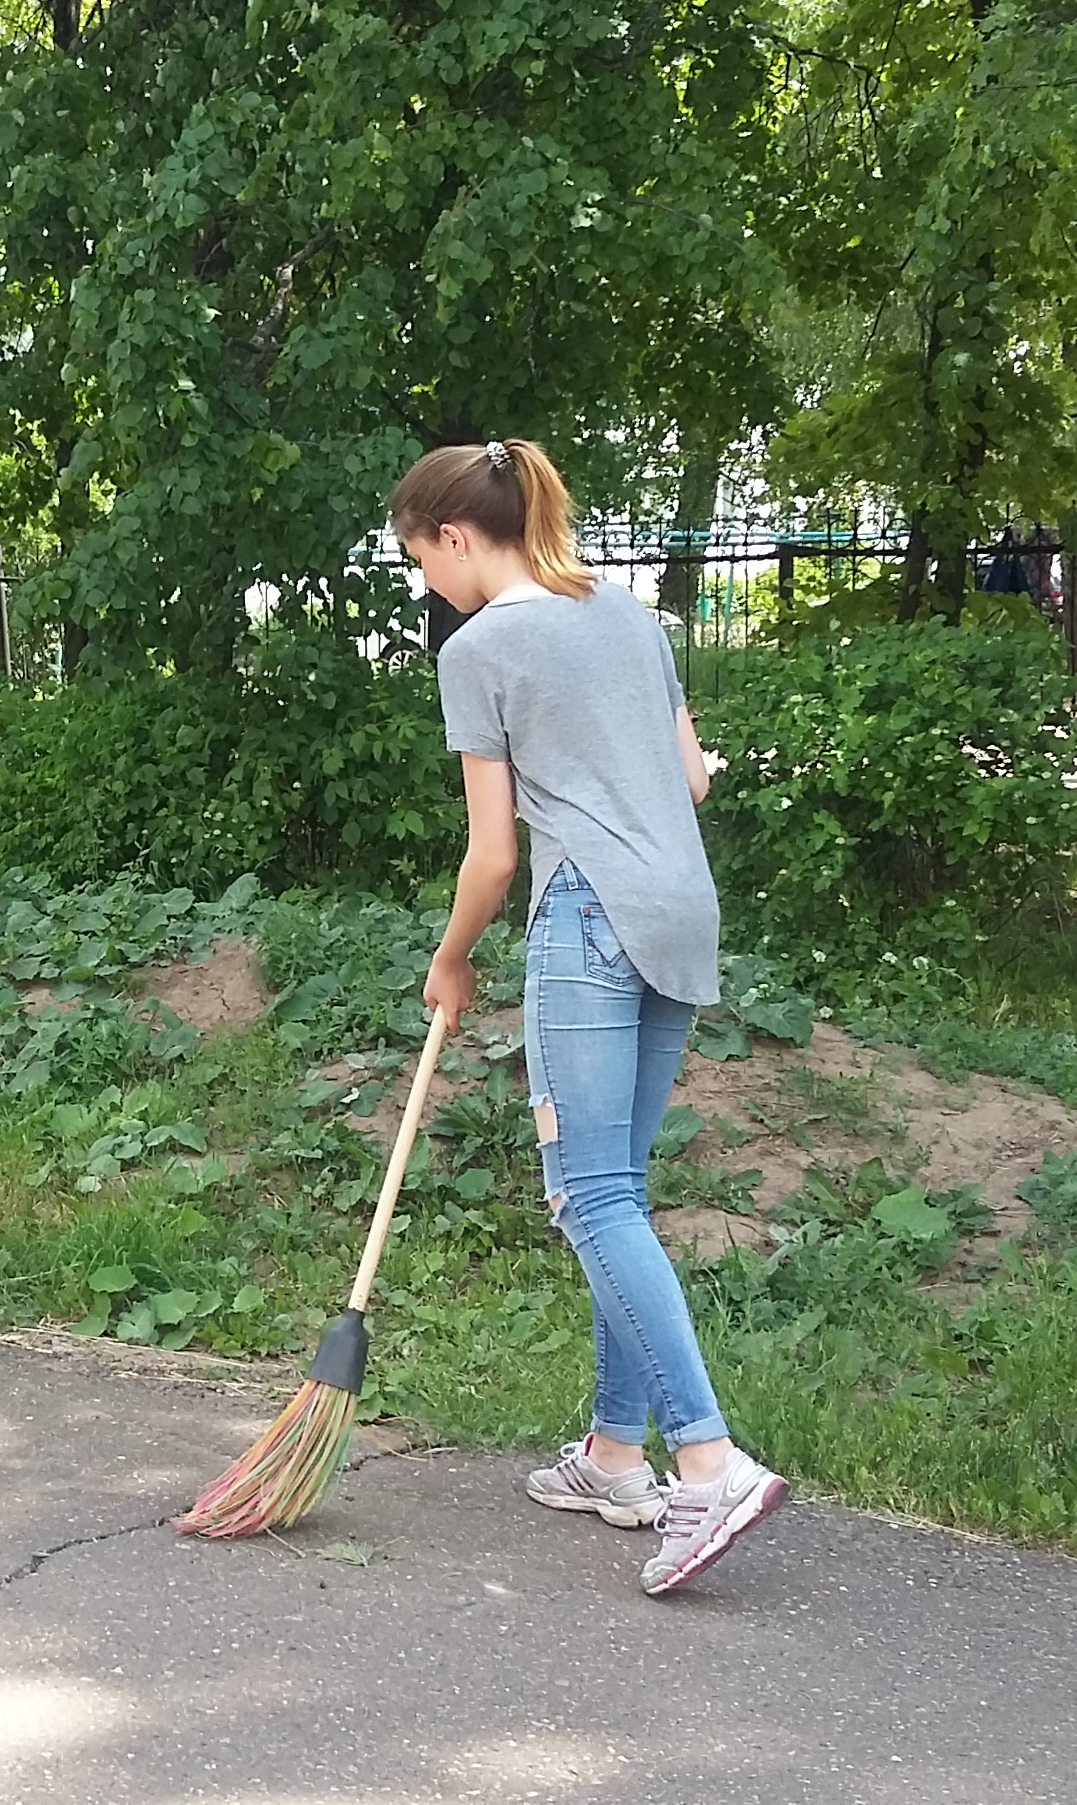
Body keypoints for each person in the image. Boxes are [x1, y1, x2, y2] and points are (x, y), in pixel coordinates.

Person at [395, 439, 788, 1596]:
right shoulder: (627, 614)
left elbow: (493, 854)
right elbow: (696, 781)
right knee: (623, 1189)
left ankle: (706, 1464)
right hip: (682, 911)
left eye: (424, 561)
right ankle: (618, 1455)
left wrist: (451, 957)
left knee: (591, 1196)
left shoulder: (482, 648)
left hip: (590, 918)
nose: (428, 587)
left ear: (457, 538)